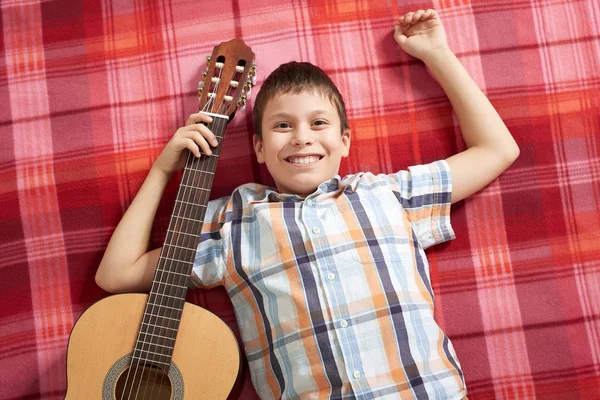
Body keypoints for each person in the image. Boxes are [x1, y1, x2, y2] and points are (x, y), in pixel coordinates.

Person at [96, 8, 519, 399]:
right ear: (259, 148)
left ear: (344, 140)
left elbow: (497, 149)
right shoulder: (231, 223)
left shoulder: (386, 195)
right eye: (283, 126)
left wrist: (437, 54)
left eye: (319, 123)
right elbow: (118, 274)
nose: (302, 137)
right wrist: (162, 171)